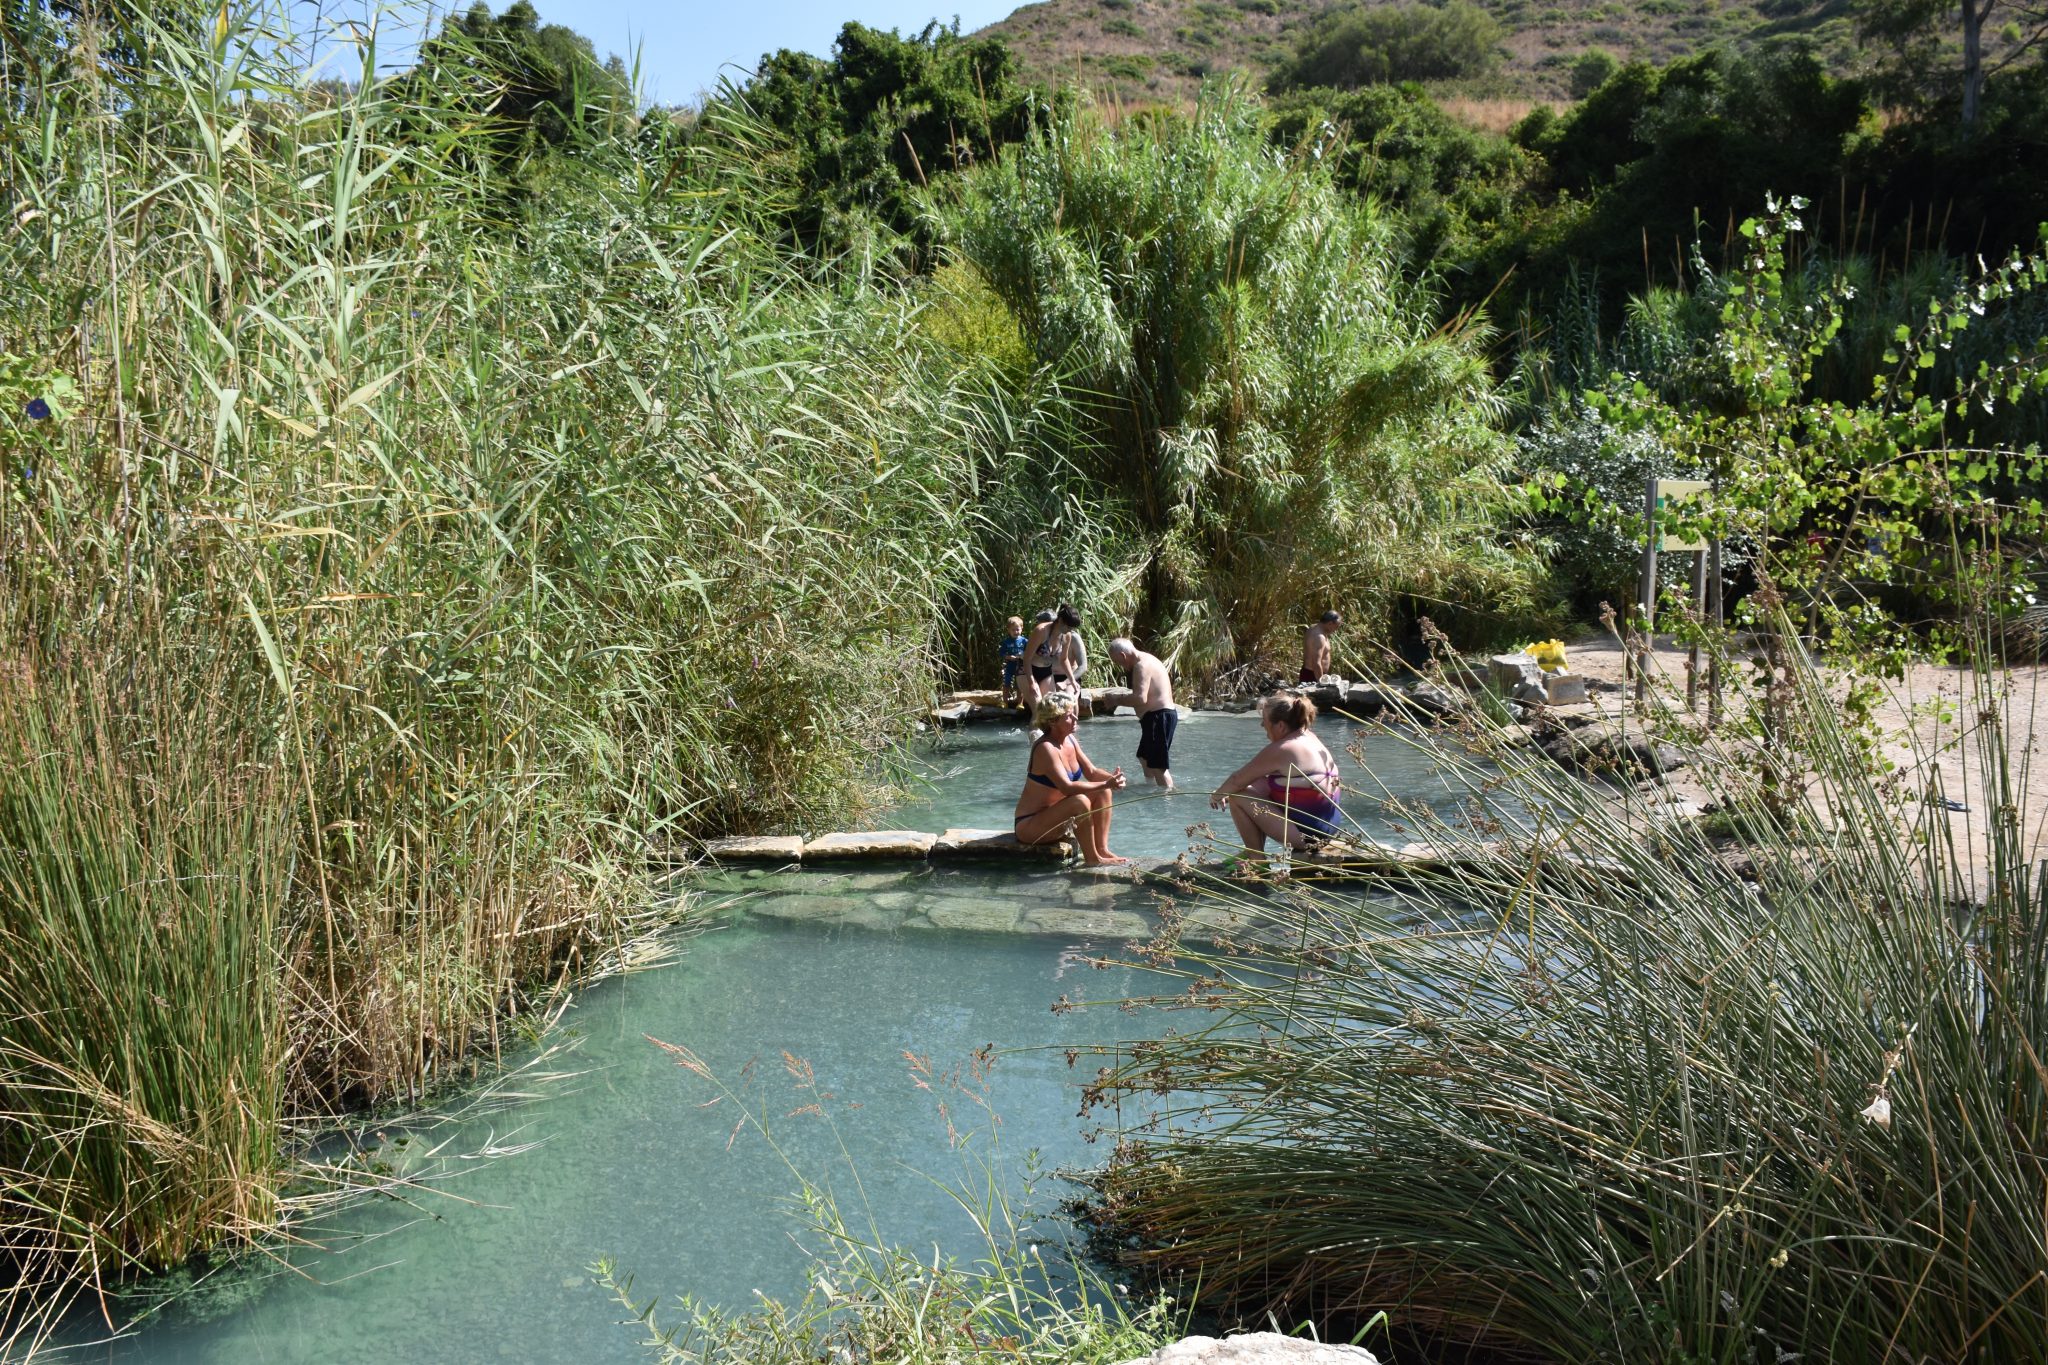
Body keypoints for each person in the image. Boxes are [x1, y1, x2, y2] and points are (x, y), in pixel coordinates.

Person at [1211, 694, 1343, 857]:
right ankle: (1252, 852)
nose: (1261, 724)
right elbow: (1254, 779)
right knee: (1256, 783)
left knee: (1237, 796)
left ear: (1280, 726)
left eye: (1264, 720)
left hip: (1309, 838)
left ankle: (1257, 860)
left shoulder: (1285, 748)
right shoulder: (1309, 737)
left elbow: (1237, 780)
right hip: (1328, 830)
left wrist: (1217, 796)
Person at [1014, 693, 1127, 865]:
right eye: (1068, 716)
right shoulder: (1045, 748)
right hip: (1030, 826)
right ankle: (1092, 859)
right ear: (1052, 721)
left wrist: (1113, 780)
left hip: (1057, 818)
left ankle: (1102, 849)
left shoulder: (1070, 740)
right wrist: (1106, 783)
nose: (1075, 718)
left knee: (1103, 791)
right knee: (1079, 801)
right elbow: (1067, 788)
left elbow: (1092, 771)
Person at [1108, 637, 1176, 790]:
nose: (1121, 666)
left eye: (1118, 662)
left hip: (1159, 716)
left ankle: (1168, 798)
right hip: (1156, 717)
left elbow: (1140, 698)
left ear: (1123, 655)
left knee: (1158, 766)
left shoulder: (1141, 665)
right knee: (1144, 757)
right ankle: (1150, 788)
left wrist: (1115, 700)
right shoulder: (1147, 659)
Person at [1023, 603, 1085, 708]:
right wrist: (1031, 682)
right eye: (1069, 627)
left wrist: (1072, 680)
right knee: (1037, 710)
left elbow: (1064, 659)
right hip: (1026, 671)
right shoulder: (1041, 631)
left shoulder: (1067, 636)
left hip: (1045, 672)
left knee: (1051, 709)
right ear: (1060, 620)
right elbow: (1027, 658)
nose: (1070, 630)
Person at [1300, 610, 1340, 685]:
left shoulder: (1313, 627)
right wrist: (1321, 682)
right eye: (1336, 627)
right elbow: (1316, 663)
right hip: (1313, 676)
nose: (1336, 630)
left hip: (1311, 673)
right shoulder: (1319, 637)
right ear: (1330, 623)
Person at [998, 615, 1029, 707]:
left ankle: (1020, 703)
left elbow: (1029, 653)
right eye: (1013, 630)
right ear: (1008, 630)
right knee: (1006, 683)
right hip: (1010, 666)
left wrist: (1022, 656)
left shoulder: (1025, 641)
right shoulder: (1006, 642)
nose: (1016, 632)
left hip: (1020, 666)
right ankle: (1005, 702)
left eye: (1018, 629)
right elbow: (1001, 653)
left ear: (1022, 628)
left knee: (1020, 685)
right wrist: (1008, 657)